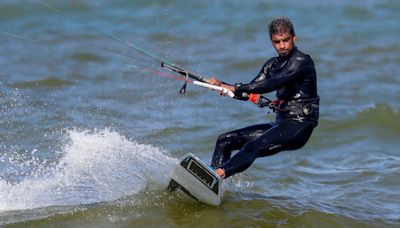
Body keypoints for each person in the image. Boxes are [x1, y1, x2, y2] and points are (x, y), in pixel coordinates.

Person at [207, 17, 319, 179]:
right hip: (280, 123)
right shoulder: (271, 65)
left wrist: (235, 88)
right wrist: (221, 85)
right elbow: (250, 91)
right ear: (271, 41)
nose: (282, 46)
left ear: (294, 37)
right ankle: (213, 185)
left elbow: (271, 84)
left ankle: (217, 175)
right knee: (225, 140)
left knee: (254, 146)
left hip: (299, 125)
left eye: (286, 40)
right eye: (277, 42)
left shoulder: (301, 62)